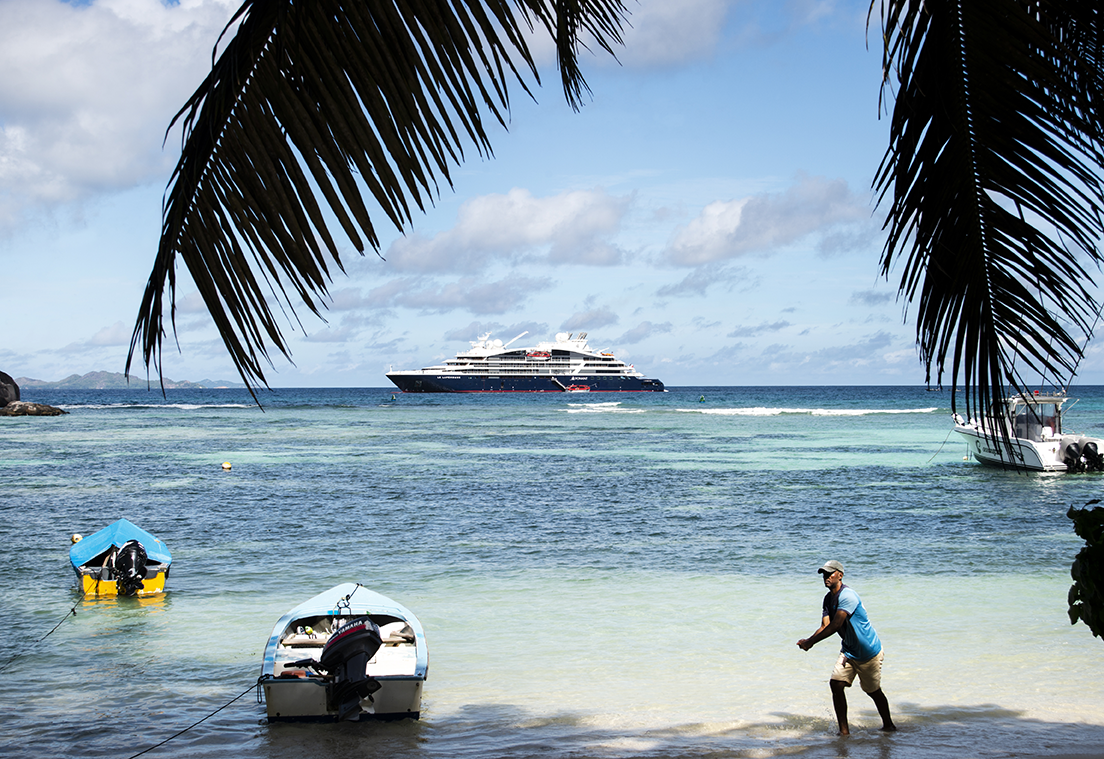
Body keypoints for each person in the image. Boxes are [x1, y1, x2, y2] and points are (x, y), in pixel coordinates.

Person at [796, 560, 896, 735]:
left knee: (873, 691)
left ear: (840, 575)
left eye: (830, 574)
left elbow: (836, 625)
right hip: (849, 651)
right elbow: (825, 626)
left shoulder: (848, 596)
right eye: (824, 575)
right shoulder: (828, 599)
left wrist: (811, 643)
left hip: (868, 652)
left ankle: (889, 725)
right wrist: (808, 640)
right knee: (836, 684)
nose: (826, 577)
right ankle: (844, 732)